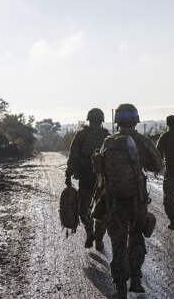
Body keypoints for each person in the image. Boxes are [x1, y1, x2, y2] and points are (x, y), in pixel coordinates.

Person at [98, 104, 162, 298]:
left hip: (114, 200)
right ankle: (136, 280)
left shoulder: (107, 142)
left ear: (117, 121)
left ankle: (120, 288)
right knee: (136, 238)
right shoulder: (142, 141)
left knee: (118, 243)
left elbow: (100, 171)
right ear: (136, 120)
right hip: (137, 200)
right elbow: (157, 165)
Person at [65, 108, 110, 251]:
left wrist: (68, 174)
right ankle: (98, 239)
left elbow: (73, 156)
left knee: (84, 209)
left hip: (87, 177)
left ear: (89, 119)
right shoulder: (107, 137)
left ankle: (91, 233)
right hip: (102, 179)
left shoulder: (81, 135)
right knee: (101, 210)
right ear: (101, 120)